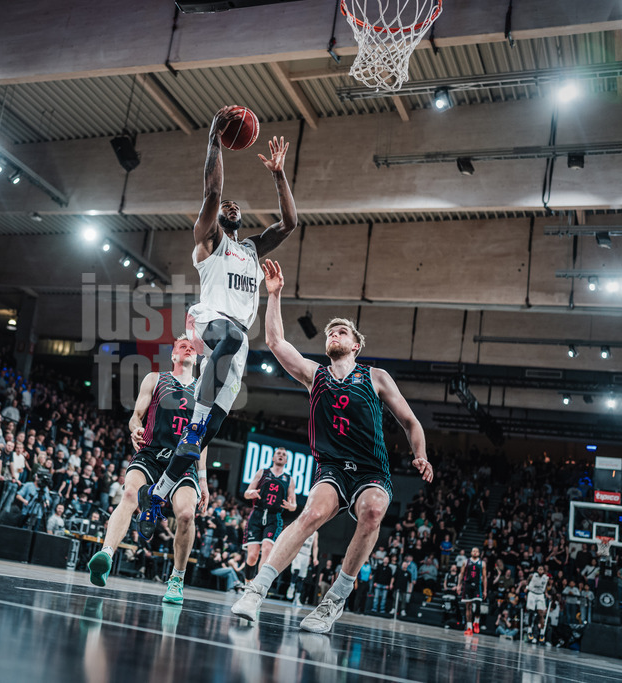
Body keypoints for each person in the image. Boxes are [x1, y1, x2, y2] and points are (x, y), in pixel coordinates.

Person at [232, 258, 432, 631]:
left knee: (373, 512)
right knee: (310, 515)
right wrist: (273, 294)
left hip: (372, 470)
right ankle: (256, 590)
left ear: (356, 344)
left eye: (342, 332)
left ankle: (334, 601)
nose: (334, 335)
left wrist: (420, 455)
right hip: (333, 467)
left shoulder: (376, 377)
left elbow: (411, 422)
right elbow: (275, 342)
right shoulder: (315, 375)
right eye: (331, 332)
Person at [137, 106, 298, 531]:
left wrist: (279, 175)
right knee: (230, 340)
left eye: (234, 205)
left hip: (235, 345)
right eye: (223, 204)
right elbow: (211, 192)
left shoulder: (249, 250)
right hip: (210, 322)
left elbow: (290, 223)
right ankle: (192, 429)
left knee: (200, 442)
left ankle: (156, 496)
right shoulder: (208, 242)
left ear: (242, 220)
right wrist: (214, 135)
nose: (228, 204)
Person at [87, 338, 209, 605]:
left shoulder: (202, 390)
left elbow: (203, 439)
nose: (188, 349)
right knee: (130, 493)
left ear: (198, 358)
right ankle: (106, 555)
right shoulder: (155, 378)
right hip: (151, 453)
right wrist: (135, 428)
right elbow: (136, 416)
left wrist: (204, 479)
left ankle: (177, 578)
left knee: (187, 514)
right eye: (182, 346)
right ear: (173, 355)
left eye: (192, 347)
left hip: (183, 462)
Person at [241, 447, 297, 587]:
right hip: (257, 514)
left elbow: (294, 504)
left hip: (274, 517)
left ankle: (258, 587)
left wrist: (291, 507)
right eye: (278, 453)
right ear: (273, 457)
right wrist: (251, 493)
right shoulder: (262, 472)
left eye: (284, 454)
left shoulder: (289, 479)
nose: (280, 456)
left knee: (267, 549)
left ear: (286, 460)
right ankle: (248, 583)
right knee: (253, 555)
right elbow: (247, 493)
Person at [457, 547, 487, 635]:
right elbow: (461, 574)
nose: (475, 552)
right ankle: (469, 627)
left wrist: (485, 590)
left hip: (477, 586)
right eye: (473, 551)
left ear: (479, 553)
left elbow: (485, 578)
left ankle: (476, 621)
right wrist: (459, 585)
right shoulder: (466, 561)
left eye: (477, 551)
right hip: (468, 586)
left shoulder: (482, 563)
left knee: (478, 605)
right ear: (471, 552)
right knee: (468, 607)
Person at [288, 531, 319, 607]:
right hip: (298, 553)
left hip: (306, 556)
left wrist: (315, 558)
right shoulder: (305, 527)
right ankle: (291, 587)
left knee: (301, 578)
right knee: (296, 570)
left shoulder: (315, 533)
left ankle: (297, 598)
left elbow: (315, 546)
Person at [524, 565, 550, 643]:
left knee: (541, 613)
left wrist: (546, 593)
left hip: (540, 595)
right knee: (531, 612)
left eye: (542, 569)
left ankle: (542, 633)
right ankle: (529, 631)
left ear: (544, 571)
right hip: (532, 594)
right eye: (539, 569)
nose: (540, 570)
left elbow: (545, 586)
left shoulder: (546, 578)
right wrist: (527, 587)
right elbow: (527, 580)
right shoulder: (533, 575)